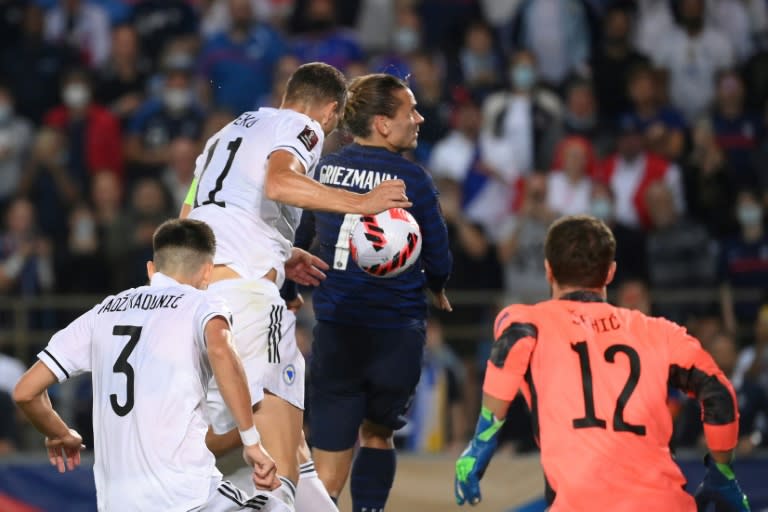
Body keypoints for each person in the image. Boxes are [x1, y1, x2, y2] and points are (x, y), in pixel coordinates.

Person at [180, 62, 411, 512]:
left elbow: (190, 220)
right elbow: (280, 181)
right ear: (329, 111)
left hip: (205, 299)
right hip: (249, 303)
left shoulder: (224, 135)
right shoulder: (302, 127)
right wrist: (361, 204)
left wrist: (283, 255)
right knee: (278, 475)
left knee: (296, 466)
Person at [454, 215, 750, 511]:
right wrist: (722, 473)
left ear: (548, 270)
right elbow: (720, 395)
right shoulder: (661, 332)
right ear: (610, 273)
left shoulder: (528, 320)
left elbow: (511, 346)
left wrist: (481, 443)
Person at [12, 218, 284, 512]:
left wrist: (59, 433)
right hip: (188, 497)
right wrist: (251, 441)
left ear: (151, 270)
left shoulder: (103, 312)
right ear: (207, 272)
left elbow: (25, 391)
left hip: (118, 503)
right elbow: (220, 348)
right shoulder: (201, 304)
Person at [294, 73, 452, 512]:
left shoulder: (325, 169)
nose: (419, 119)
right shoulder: (412, 181)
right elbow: (439, 257)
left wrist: (290, 288)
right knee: (378, 433)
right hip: (395, 335)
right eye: (410, 111)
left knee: (327, 473)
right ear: (382, 123)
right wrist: (437, 287)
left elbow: (299, 238)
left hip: (336, 333)